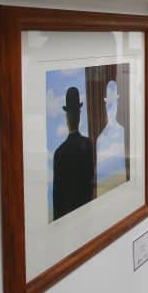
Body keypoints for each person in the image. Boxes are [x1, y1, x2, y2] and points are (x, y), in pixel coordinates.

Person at [52, 86, 95, 220]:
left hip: (68, 220)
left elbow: (57, 201)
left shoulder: (59, 153)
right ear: (79, 115)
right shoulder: (87, 144)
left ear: (67, 117)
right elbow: (90, 185)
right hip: (86, 216)